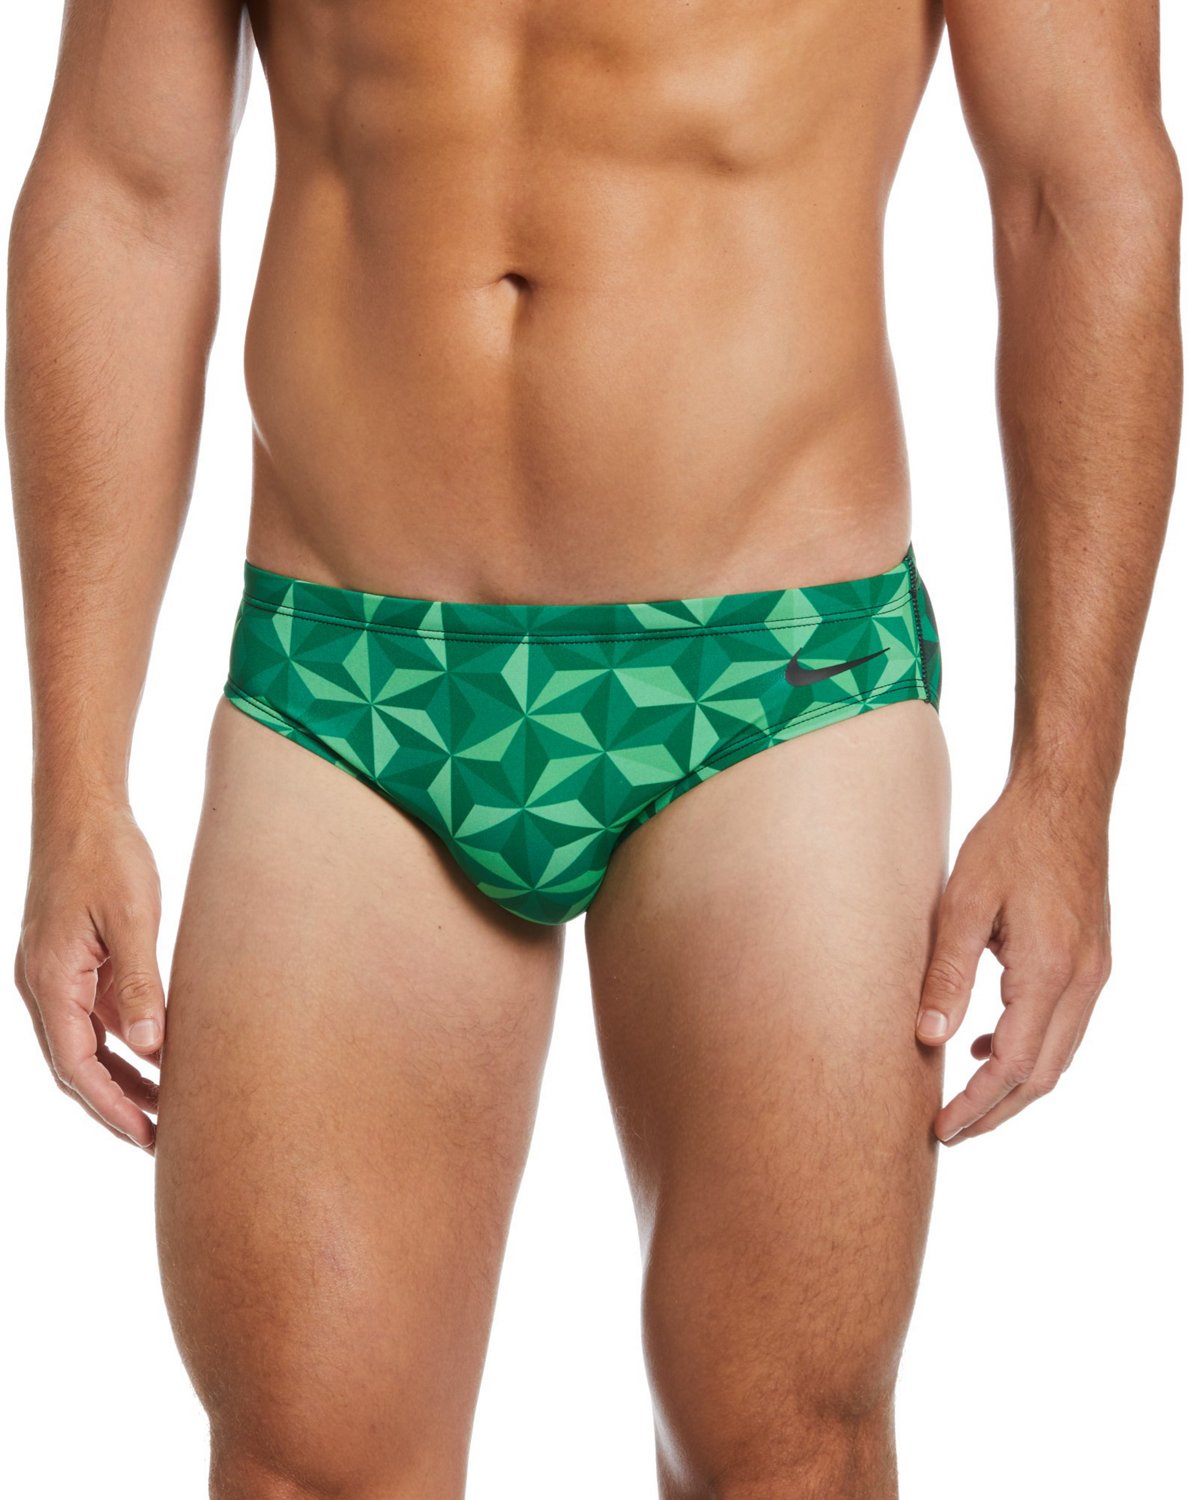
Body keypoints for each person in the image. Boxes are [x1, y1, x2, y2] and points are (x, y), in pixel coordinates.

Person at [7, 2, 1181, 1497]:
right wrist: (76, 785)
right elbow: (121, 186)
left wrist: (1066, 788)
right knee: (304, 1457)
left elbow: (1082, 188)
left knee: (786, 1449)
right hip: (353, 671)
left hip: (773, 668)